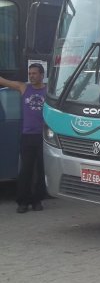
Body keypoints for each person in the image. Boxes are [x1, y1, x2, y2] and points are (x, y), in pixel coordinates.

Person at [0, 63, 47, 213]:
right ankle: (23, 202)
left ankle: (37, 201)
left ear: (41, 75)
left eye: (34, 73)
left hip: (44, 137)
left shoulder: (49, 91)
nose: (31, 76)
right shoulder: (24, 88)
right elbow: (3, 81)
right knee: (25, 170)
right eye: (30, 73)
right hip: (27, 136)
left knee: (40, 170)